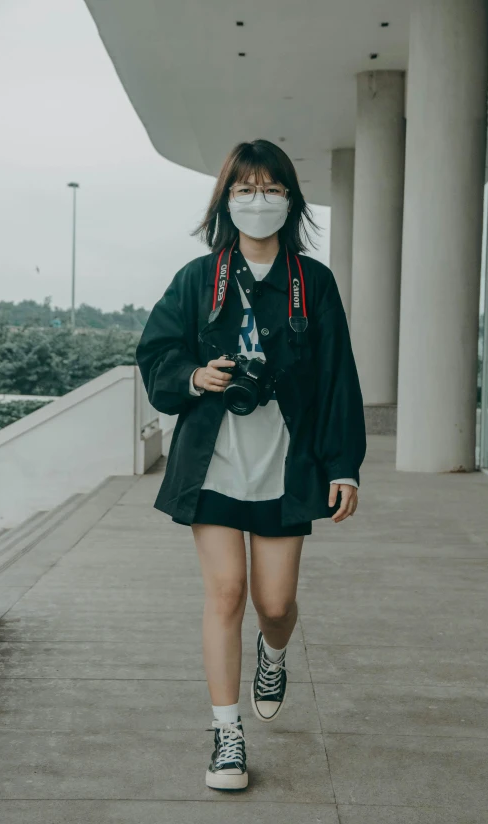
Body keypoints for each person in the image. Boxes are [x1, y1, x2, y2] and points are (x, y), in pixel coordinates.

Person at [136, 138, 366, 791]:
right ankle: (226, 736)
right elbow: (155, 356)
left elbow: (337, 381)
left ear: (290, 200)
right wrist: (193, 375)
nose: (257, 201)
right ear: (226, 200)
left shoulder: (311, 283)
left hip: (285, 465)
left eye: (270, 189)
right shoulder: (197, 278)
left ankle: (274, 652)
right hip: (210, 461)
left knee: (275, 601)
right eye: (245, 189)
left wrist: (343, 465)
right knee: (226, 593)